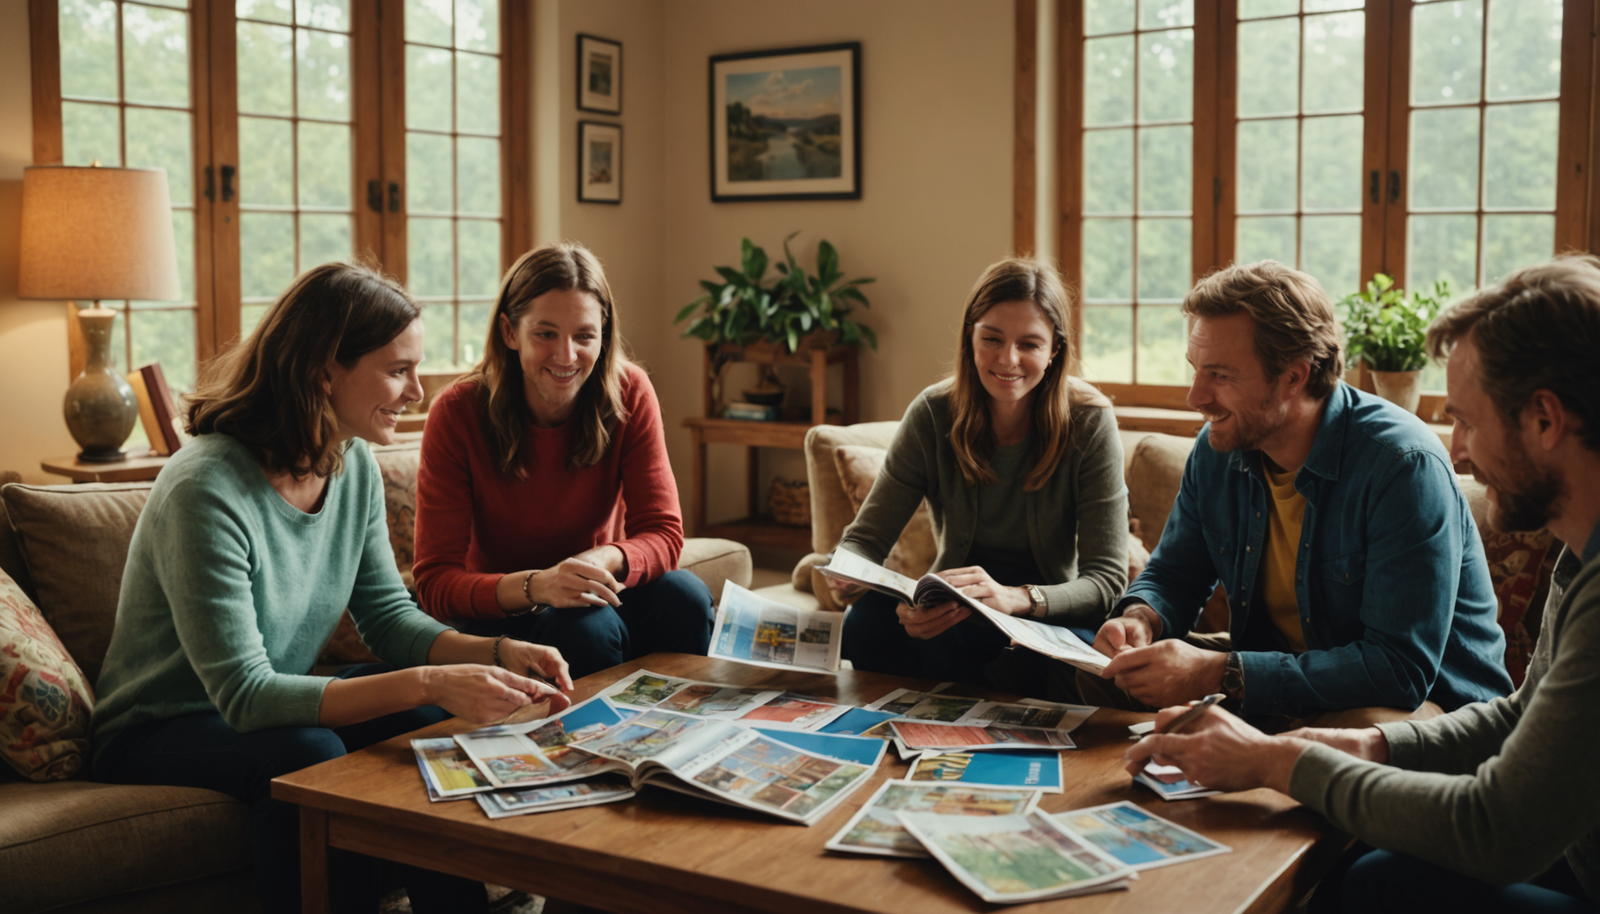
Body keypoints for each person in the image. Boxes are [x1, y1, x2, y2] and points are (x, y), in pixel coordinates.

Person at [90, 263, 574, 914]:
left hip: (253, 708)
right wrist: (432, 680)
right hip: (157, 728)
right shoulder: (205, 489)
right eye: (398, 370)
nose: (415, 392)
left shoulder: (352, 466)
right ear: (324, 371)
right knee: (312, 751)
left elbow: (387, 620)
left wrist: (494, 652)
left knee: (435, 724)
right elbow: (245, 696)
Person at [1124, 254, 1600, 913]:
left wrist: (1273, 758)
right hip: (1561, 844)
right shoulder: (1580, 555)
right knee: (1374, 876)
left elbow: (1497, 829)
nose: (1456, 452)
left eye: (1466, 420)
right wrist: (1360, 745)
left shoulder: (1403, 463)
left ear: (1545, 420)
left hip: (1545, 842)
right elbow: (1523, 715)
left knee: (1371, 886)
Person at [1082, 260, 1512, 727]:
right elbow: (1174, 575)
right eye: (1196, 370)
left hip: (1430, 708)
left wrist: (1219, 673)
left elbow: (1397, 671)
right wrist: (1141, 618)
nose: (1196, 397)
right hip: (1279, 682)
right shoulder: (1219, 449)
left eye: (1221, 376)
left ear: (1294, 376)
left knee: (1367, 726)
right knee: (1093, 668)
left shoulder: (1402, 466)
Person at [414, 242, 713, 680]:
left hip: (594, 591)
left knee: (684, 595)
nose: (567, 355)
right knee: (587, 628)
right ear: (509, 332)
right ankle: (589, 744)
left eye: (584, 336)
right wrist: (540, 584)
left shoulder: (629, 391)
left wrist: (602, 559)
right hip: (505, 614)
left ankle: (678, 730)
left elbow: (664, 534)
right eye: (546, 333)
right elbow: (435, 583)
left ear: (603, 335)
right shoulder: (457, 411)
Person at [834, 258, 1129, 696]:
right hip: (959, 614)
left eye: (1029, 344)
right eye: (991, 338)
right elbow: (865, 540)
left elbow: (1106, 580)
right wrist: (848, 572)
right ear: (970, 337)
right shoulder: (933, 415)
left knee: (1095, 672)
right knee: (867, 622)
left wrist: (1018, 598)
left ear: (1054, 352)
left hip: (1050, 619)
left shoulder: (1089, 422)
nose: (1007, 359)